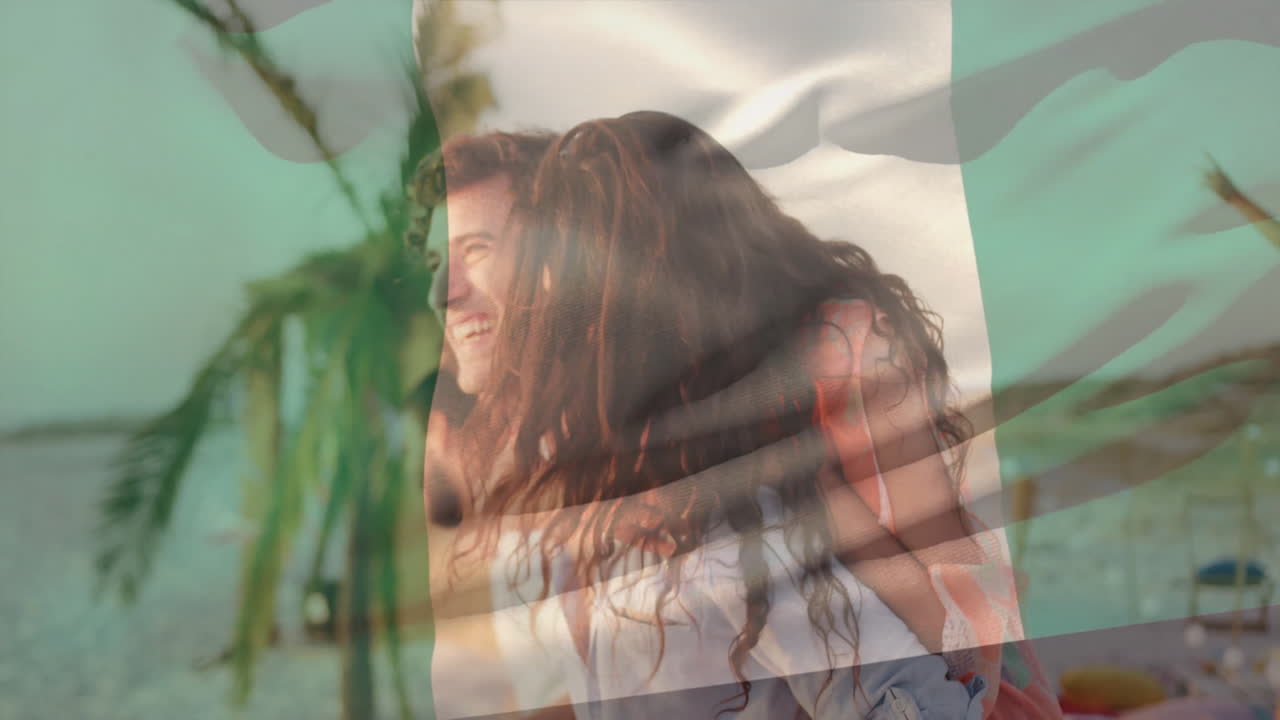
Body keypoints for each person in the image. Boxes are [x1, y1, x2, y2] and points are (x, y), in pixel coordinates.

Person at [413, 112, 1062, 719]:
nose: (449, 292)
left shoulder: (828, 359)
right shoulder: (570, 475)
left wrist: (807, 492)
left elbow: (952, 601)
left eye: (481, 251)